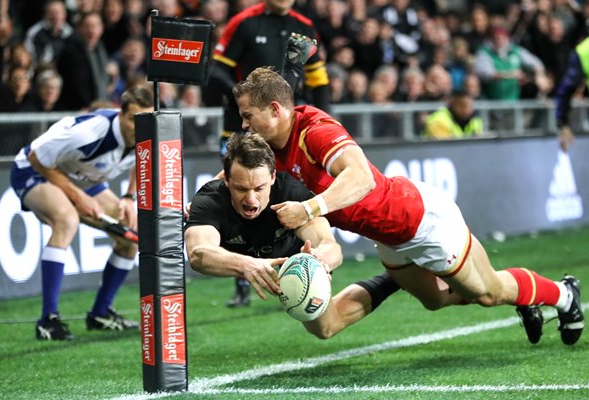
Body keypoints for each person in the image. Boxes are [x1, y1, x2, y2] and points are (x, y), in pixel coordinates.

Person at [232, 67, 584, 346]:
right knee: (434, 300)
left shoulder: (315, 131)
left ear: (275, 110)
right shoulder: (271, 146)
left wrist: (310, 210)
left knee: (490, 293)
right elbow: (235, 174)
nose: (243, 125)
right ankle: (515, 293)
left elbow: (361, 178)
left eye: (248, 116)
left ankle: (564, 295)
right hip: (390, 237)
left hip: (420, 219)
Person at [184, 133, 400, 338]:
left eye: (259, 188)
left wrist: (320, 260)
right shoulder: (210, 199)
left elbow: (330, 246)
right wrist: (247, 265)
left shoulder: (291, 193)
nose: (251, 199)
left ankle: (396, 278)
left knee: (325, 328)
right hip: (244, 261)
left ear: (272, 177)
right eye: (241, 188)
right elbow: (199, 254)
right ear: (227, 181)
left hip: (295, 256)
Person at [206, 0, 331, 306]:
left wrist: (326, 121)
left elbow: (319, 80)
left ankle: (298, 266)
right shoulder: (244, 23)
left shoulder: (304, 26)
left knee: (284, 198)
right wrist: (248, 103)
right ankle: (242, 278)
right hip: (241, 131)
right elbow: (216, 70)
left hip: (286, 131)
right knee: (241, 200)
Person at [10, 85, 154, 340]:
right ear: (120, 115)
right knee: (66, 219)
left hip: (79, 177)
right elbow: (36, 157)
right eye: (133, 119)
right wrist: (78, 197)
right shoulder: (88, 133)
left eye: (143, 119)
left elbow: (143, 160)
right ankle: (48, 321)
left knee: (131, 234)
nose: (138, 126)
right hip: (35, 170)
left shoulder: (148, 130)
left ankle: (100, 313)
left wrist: (128, 197)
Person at [554, 34, 589, 152]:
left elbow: (565, 90)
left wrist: (562, 123)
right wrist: (563, 123)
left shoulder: (584, 50)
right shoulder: (584, 51)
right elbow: (566, 90)